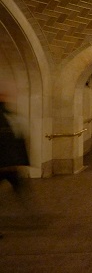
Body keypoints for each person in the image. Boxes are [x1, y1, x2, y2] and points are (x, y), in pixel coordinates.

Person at [1, 95, 30, 238]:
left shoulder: (8, 119)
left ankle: (32, 213)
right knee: (21, 190)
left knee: (21, 189)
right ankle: (32, 214)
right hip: (8, 164)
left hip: (7, 164)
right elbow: (17, 141)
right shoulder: (10, 118)